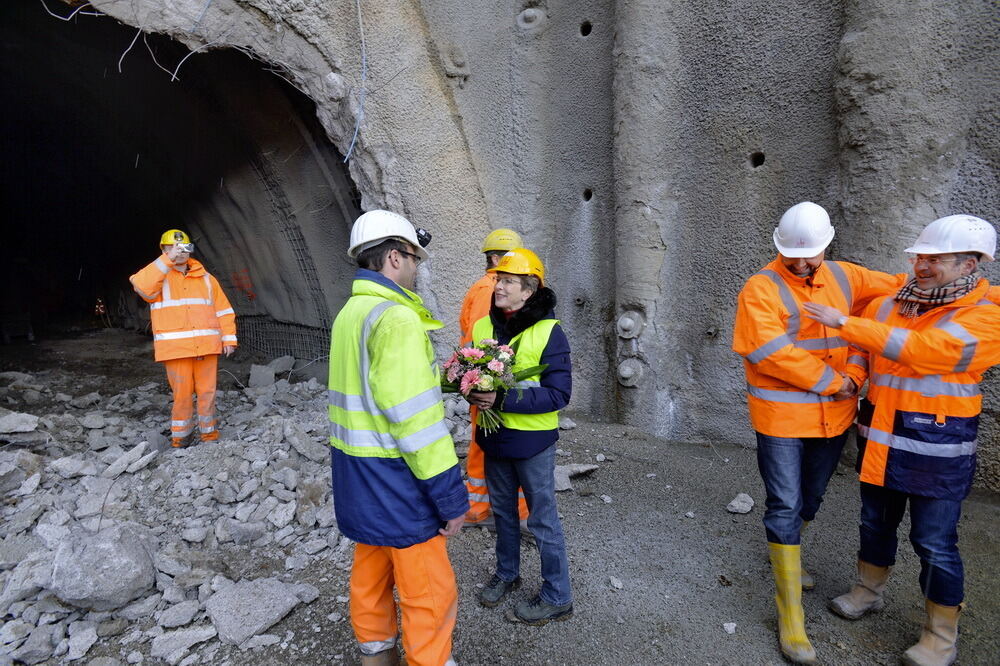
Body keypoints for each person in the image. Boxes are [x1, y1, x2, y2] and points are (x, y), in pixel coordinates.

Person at [804, 214, 1000, 666]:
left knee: (933, 541)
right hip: (882, 437)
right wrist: (854, 371)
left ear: (970, 264)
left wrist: (843, 322)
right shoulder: (893, 302)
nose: (923, 266)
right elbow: (865, 343)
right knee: (875, 523)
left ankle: (939, 636)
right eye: (920, 257)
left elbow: (927, 351)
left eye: (937, 260)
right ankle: (868, 590)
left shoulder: (983, 317)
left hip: (937, 446)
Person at [732, 201, 909, 664]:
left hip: (835, 417)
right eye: (795, 254)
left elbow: (891, 295)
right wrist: (838, 381)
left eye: (812, 253)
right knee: (786, 503)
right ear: (778, 246)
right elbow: (770, 352)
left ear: (827, 245)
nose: (804, 262)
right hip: (782, 421)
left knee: (811, 497)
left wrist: (854, 365)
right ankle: (791, 615)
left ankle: (791, 556)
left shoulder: (846, 276)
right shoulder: (760, 288)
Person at [328, 209, 467, 666]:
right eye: (414, 258)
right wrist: (449, 496)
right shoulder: (397, 318)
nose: (416, 268)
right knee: (427, 589)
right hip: (398, 480)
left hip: (356, 474)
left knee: (371, 572)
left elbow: (369, 395)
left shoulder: (351, 312)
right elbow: (415, 423)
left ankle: (375, 656)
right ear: (393, 257)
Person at [465, 248, 573, 625]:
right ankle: (507, 574)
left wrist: (502, 397)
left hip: (533, 443)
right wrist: (467, 385)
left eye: (508, 281)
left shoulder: (548, 331)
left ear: (528, 290)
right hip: (494, 439)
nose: (499, 286)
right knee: (504, 514)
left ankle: (558, 595)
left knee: (542, 520)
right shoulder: (483, 326)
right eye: (498, 279)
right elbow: (470, 369)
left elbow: (559, 394)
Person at [129, 229, 236, 448]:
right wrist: (166, 261)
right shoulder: (159, 279)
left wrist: (229, 339)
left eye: (185, 248)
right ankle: (181, 438)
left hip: (207, 347)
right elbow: (141, 285)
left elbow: (224, 310)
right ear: (164, 250)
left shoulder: (207, 279)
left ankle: (209, 435)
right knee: (182, 395)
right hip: (176, 349)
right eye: (174, 248)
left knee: (208, 393)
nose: (181, 252)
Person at [458, 228, 529, 527]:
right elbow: (482, 341)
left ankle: (480, 507)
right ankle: (518, 509)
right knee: (513, 443)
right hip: (499, 381)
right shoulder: (501, 288)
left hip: (487, 381)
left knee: (484, 443)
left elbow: (473, 339)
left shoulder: (484, 288)